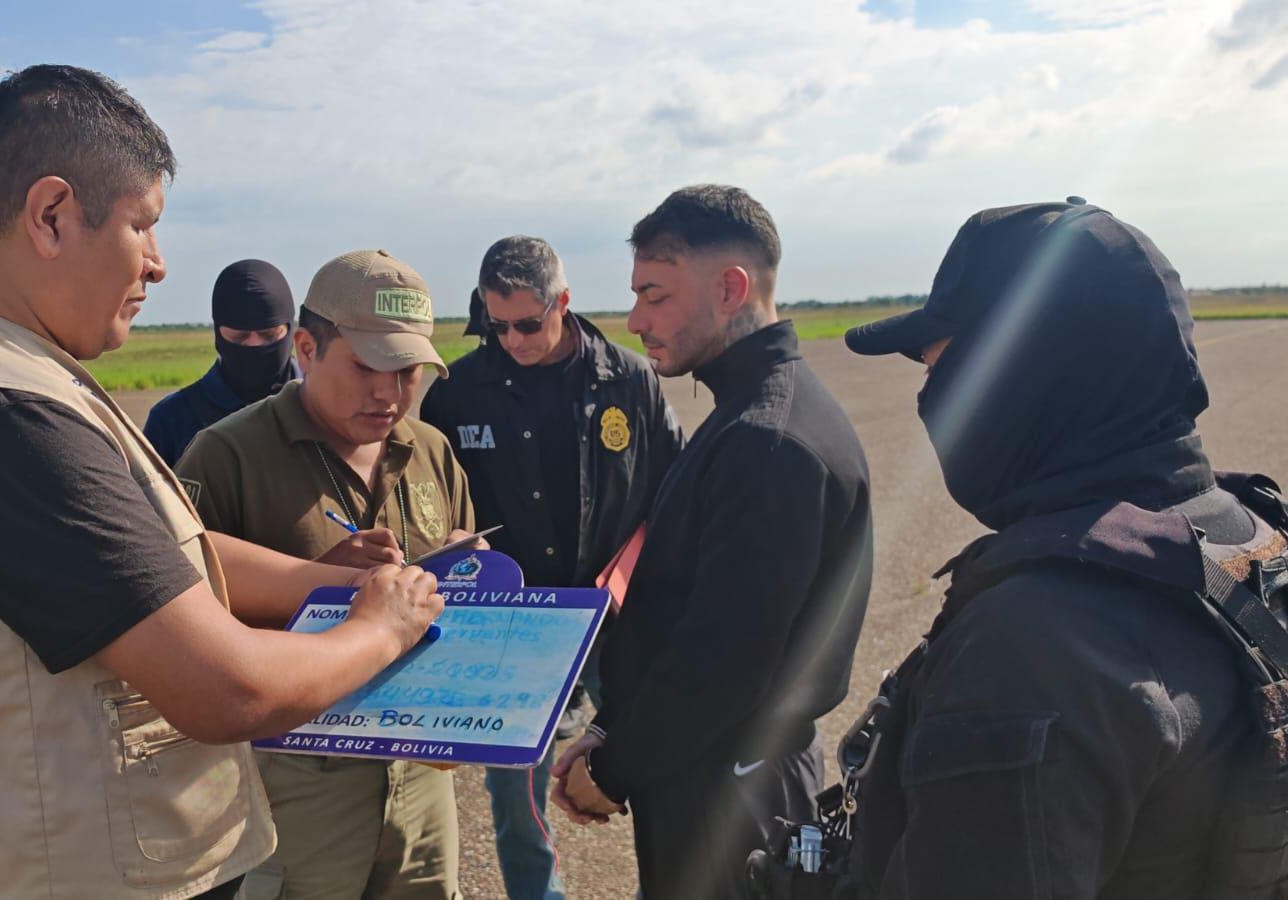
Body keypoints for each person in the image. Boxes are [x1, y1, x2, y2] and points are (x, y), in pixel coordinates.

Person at [0, 65, 444, 900]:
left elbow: (154, 550)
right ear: (51, 215)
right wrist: (380, 628)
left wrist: (328, 582)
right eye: (142, 225)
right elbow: (225, 689)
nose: (158, 265)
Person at [753, 198, 1288, 898]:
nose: (929, 394)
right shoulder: (1250, 537)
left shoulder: (1036, 645)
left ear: (1022, 374)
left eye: (941, 365)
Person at [552, 185, 873, 898]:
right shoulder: (751, 415)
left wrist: (614, 768)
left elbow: (723, 659)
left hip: (731, 790)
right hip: (711, 771)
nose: (635, 319)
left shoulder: (768, 440)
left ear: (731, 288)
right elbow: (683, 613)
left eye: (655, 295)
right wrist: (613, 732)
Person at [176, 249, 477, 900]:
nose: (388, 393)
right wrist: (309, 584)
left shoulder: (430, 451)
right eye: (367, 367)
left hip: (422, 780)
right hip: (292, 788)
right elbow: (177, 627)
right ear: (307, 347)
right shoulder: (227, 455)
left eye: (408, 373)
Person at [420, 235, 684, 900]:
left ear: (563, 302)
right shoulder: (456, 395)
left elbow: (678, 494)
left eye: (528, 323)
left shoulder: (629, 380)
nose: (511, 339)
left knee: (658, 763)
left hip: (615, 617)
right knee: (516, 796)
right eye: (494, 324)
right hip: (514, 628)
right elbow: (429, 508)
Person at [144, 258, 301, 466]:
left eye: (269, 335)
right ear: (218, 334)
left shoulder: (326, 408)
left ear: (291, 331)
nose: (254, 346)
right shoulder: (172, 421)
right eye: (239, 337)